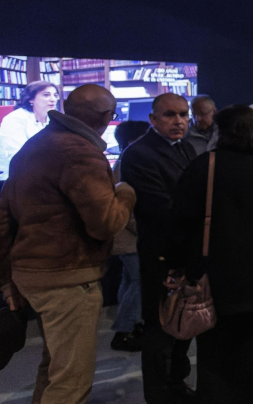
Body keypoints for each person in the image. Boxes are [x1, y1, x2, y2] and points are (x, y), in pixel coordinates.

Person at [0, 84, 136, 404]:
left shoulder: (35, 146)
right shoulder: (80, 152)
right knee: (71, 380)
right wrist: (125, 192)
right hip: (68, 277)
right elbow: (107, 223)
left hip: (33, 274)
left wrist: (7, 279)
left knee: (55, 366)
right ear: (108, 117)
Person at [170, 105, 253, 404]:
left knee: (215, 360)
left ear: (222, 130)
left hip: (216, 278)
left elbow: (181, 222)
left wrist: (178, 265)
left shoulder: (204, 166)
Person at [120, 93, 197, 404]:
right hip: (161, 253)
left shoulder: (186, 148)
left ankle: (177, 385)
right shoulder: (139, 153)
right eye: (169, 115)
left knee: (183, 325)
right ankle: (160, 394)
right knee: (160, 329)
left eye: (183, 114)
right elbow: (159, 207)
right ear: (153, 119)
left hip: (186, 251)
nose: (178, 121)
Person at [110, 120, 150, 352]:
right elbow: (128, 201)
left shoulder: (125, 159)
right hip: (131, 234)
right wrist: (141, 228)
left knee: (130, 279)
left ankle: (131, 325)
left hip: (124, 235)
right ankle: (124, 330)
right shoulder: (131, 160)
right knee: (139, 280)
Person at [0, 80, 59, 180]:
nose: (53, 99)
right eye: (46, 95)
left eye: (55, 95)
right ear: (31, 99)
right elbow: (18, 156)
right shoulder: (15, 119)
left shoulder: (54, 119)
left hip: (44, 169)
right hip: (12, 173)